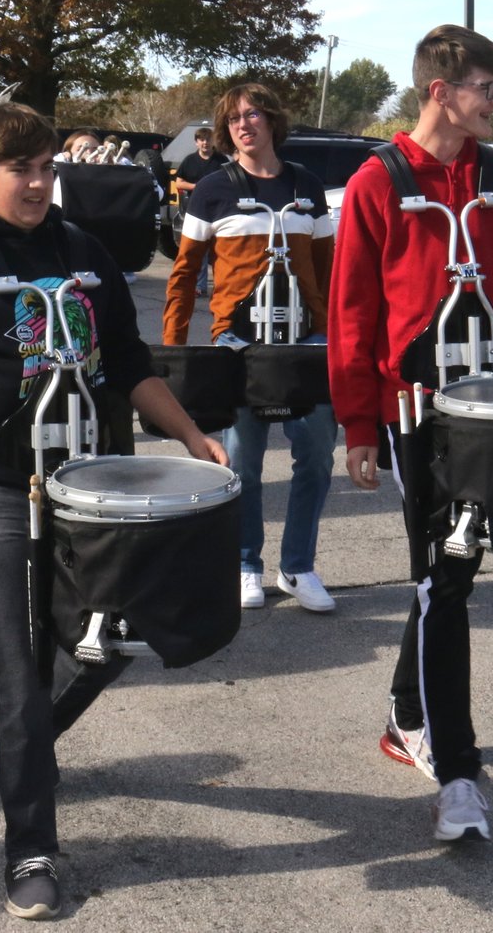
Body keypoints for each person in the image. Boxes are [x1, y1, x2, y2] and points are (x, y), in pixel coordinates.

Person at [0, 102, 228, 921]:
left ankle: (23, 744)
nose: (37, 183)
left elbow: (131, 366)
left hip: (91, 487)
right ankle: (29, 844)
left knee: (109, 640)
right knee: (15, 660)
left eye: (45, 168)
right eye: (20, 171)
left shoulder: (86, 253)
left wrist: (189, 435)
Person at [328, 24, 493, 842]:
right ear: (440, 90)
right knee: (444, 576)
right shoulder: (378, 183)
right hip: (418, 417)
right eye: (486, 85)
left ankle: (407, 711)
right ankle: (459, 771)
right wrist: (357, 422)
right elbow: (351, 314)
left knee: (449, 576)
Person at [163, 83, 339, 614]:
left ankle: (298, 567)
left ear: (273, 122)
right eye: (235, 117)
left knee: (315, 455)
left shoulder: (306, 187)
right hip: (238, 343)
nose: (245, 124)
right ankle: (245, 565)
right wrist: (175, 359)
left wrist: (336, 343)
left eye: (254, 114)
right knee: (244, 460)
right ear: (225, 130)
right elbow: (183, 275)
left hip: (307, 342)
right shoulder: (213, 189)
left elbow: (330, 274)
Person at [172, 126, 229, 298]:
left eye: (208, 139)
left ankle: (221, 287)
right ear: (197, 142)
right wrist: (197, 187)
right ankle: (200, 286)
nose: (205, 143)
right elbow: (179, 183)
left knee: (219, 251)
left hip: (219, 211)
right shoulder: (189, 160)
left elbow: (230, 181)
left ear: (213, 142)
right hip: (196, 211)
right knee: (200, 251)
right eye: (201, 140)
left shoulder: (222, 160)